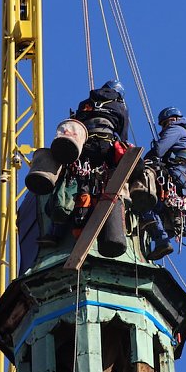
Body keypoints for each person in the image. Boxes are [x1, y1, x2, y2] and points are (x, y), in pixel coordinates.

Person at [37, 80, 130, 248]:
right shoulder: (120, 107)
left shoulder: (86, 103)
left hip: (83, 147)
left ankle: (54, 233)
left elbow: (75, 124)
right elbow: (123, 135)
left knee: (68, 181)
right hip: (104, 146)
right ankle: (96, 222)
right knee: (104, 182)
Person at [141, 106, 186, 260]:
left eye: (164, 124)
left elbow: (159, 150)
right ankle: (162, 238)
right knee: (160, 209)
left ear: (173, 119)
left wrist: (142, 162)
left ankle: (161, 241)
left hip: (174, 175)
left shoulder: (175, 129)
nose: (163, 128)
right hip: (184, 179)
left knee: (144, 202)